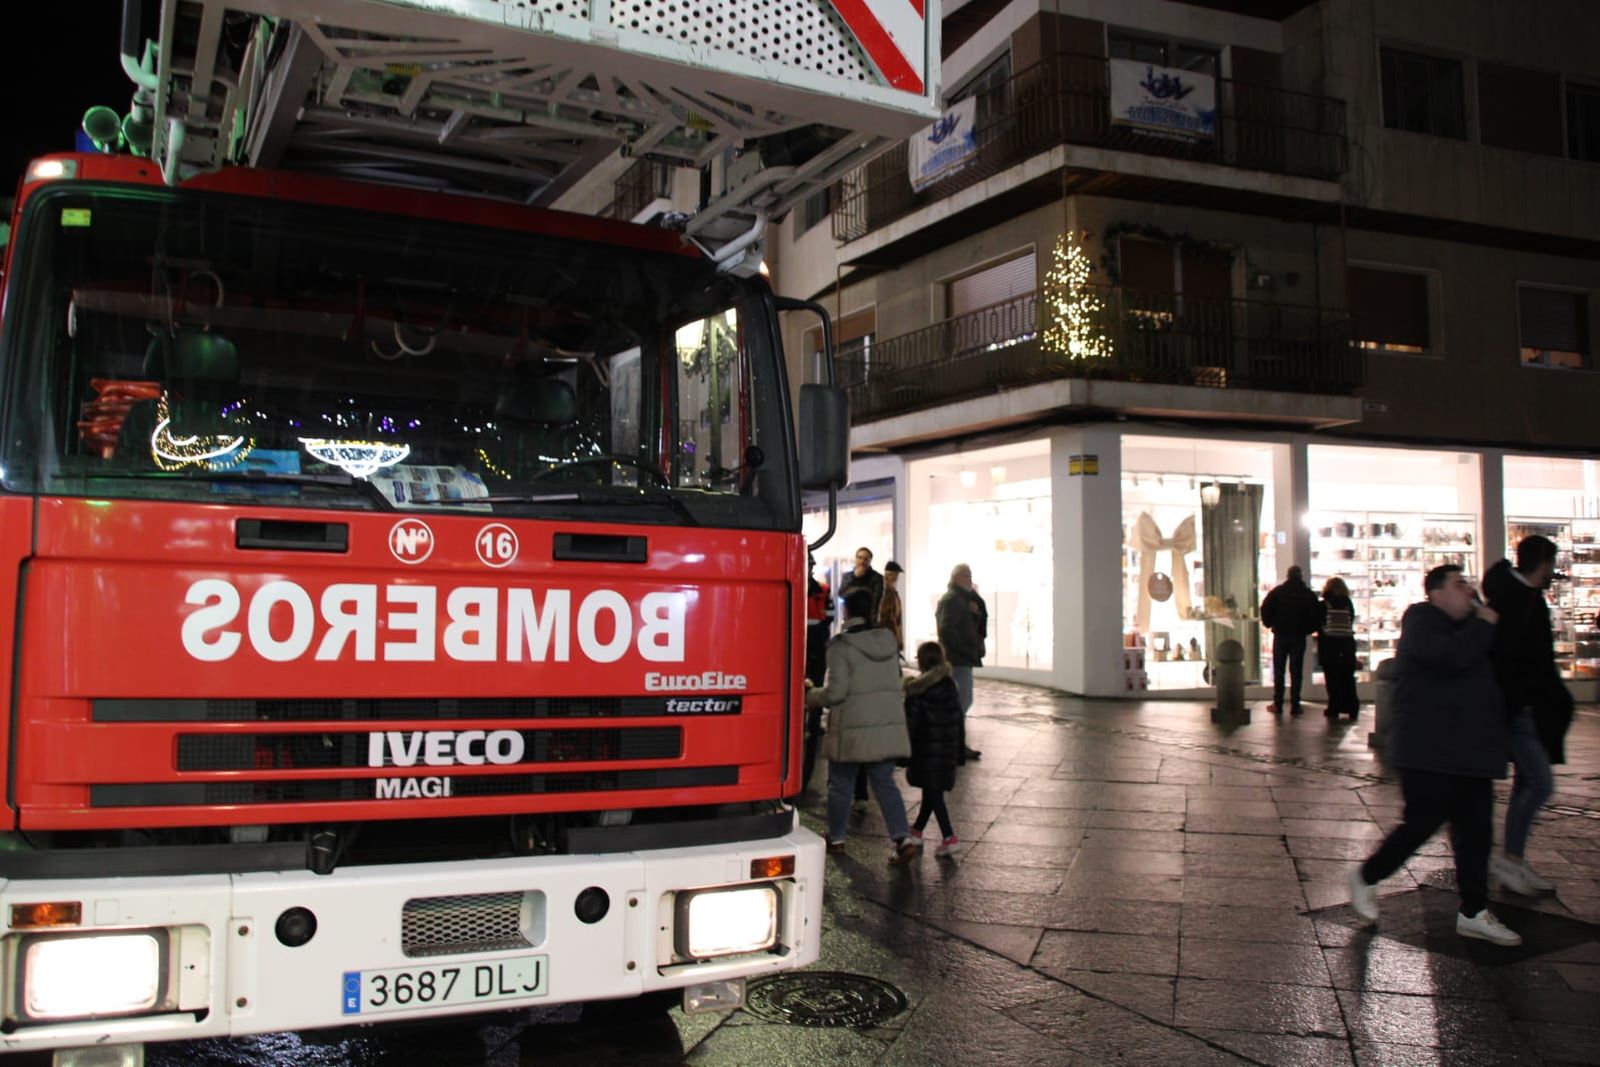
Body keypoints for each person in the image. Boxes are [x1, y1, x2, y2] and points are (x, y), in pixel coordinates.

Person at [1348, 565, 1520, 946]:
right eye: (1460, 585)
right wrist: (1484, 624)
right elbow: (1451, 658)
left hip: (1470, 754)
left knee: (1476, 835)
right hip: (1429, 752)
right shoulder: (1422, 624)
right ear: (1437, 594)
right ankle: (1367, 876)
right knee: (1419, 826)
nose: (1469, 591)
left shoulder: (1472, 629)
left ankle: (1474, 911)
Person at [1483, 535, 1573, 897]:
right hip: (1518, 708)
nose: (1554, 571)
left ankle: (1515, 860)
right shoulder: (1514, 600)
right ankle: (1509, 862)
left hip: (1528, 707)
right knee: (1540, 782)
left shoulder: (1528, 598)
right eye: (1552, 564)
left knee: (1528, 781)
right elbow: (1507, 657)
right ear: (1542, 564)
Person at [806, 589, 917, 865]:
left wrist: (810, 695)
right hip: (884, 727)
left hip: (853, 729)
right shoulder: (888, 642)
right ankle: (902, 838)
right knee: (885, 784)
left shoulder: (841, 646)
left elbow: (836, 693)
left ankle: (837, 838)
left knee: (841, 785)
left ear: (846, 612)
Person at [903, 641, 965, 856]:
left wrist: (904, 753)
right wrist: (960, 751)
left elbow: (911, 725)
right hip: (946, 748)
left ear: (921, 662)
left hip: (925, 750)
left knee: (933, 794)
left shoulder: (917, 691)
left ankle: (949, 837)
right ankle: (917, 831)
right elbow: (959, 719)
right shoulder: (950, 685)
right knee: (932, 791)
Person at [936, 563, 987, 761]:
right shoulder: (953, 600)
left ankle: (955, 743)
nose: (970, 579)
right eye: (967, 575)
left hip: (959, 657)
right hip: (957, 659)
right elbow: (947, 629)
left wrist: (973, 614)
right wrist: (965, 649)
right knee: (961, 700)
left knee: (961, 700)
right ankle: (952, 743)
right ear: (957, 577)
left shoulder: (961, 599)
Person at [1261, 565, 1322, 715]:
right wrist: (1308, 629)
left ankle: (1278, 703)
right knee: (1296, 670)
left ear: (1288, 575)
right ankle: (1295, 704)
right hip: (1299, 636)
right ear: (1300, 576)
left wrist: (1270, 624)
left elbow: (1265, 609)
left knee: (1279, 670)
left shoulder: (1278, 592)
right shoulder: (1307, 594)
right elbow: (1316, 614)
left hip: (1281, 635)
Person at [800, 553, 834, 797]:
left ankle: (814, 718)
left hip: (817, 644)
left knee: (817, 683)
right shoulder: (796, 583)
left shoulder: (822, 588)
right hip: (802, 643)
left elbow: (829, 615)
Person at [1318, 576, 1360, 720]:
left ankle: (1334, 707)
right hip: (1347, 643)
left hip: (1330, 645)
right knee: (1347, 677)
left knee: (1332, 678)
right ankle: (1352, 707)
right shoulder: (1348, 603)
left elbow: (1319, 622)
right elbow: (1351, 619)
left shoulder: (1324, 604)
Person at [838, 546, 886, 626]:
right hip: (850, 621)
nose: (862, 561)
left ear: (870, 561)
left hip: (869, 622)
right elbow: (842, 594)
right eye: (859, 558)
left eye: (866, 559)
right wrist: (855, 578)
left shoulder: (877, 578)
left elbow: (876, 599)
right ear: (855, 559)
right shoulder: (847, 577)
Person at [879, 561, 905, 657]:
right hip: (887, 637)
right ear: (890, 574)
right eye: (896, 574)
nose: (897, 577)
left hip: (890, 636)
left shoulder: (891, 591)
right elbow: (887, 615)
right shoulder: (885, 592)